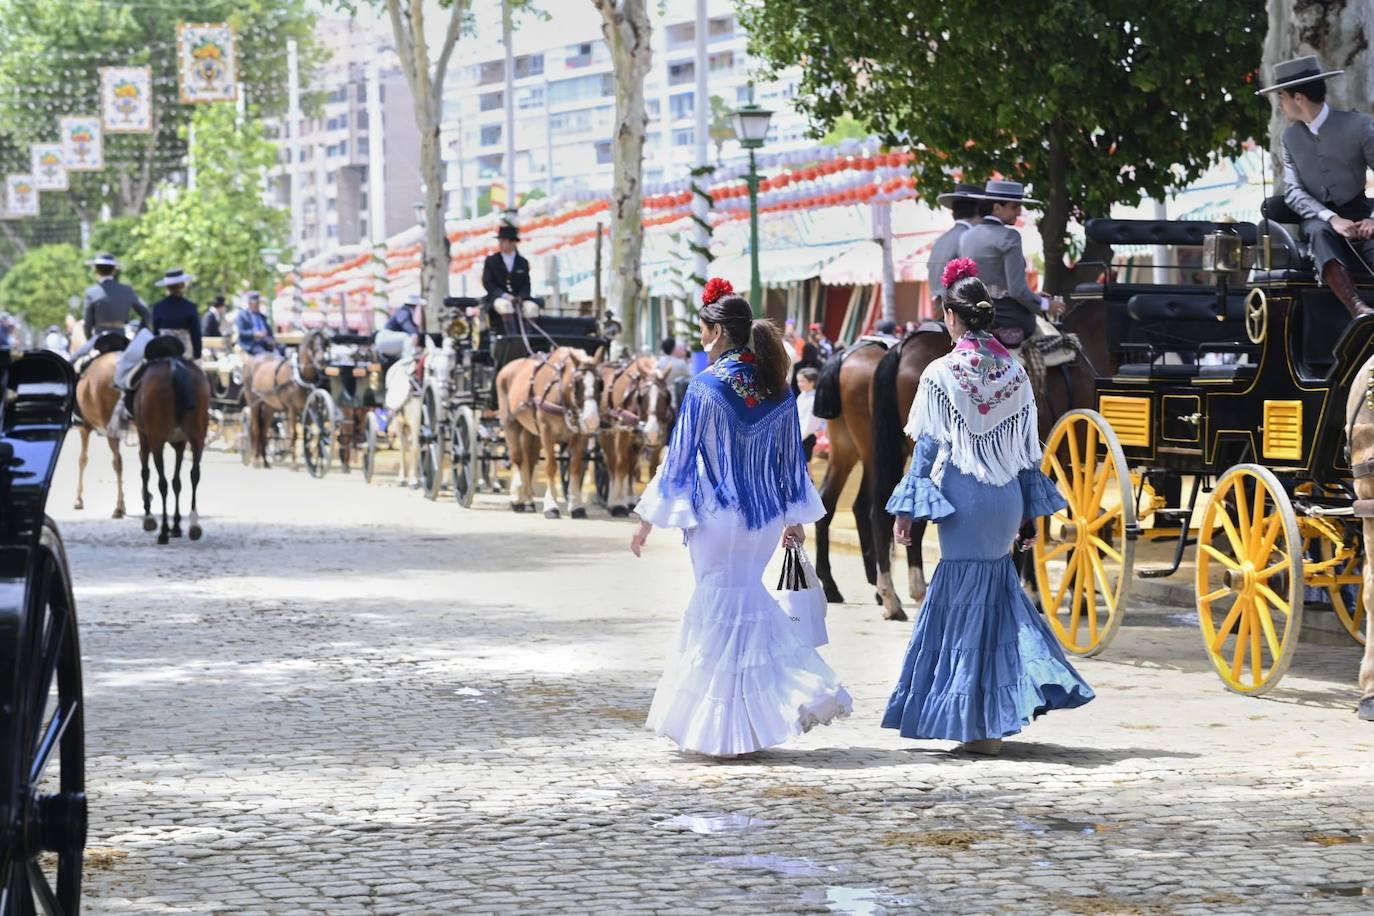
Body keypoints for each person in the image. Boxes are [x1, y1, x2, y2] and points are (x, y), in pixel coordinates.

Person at [630, 277, 851, 758]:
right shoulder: (777, 387)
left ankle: (725, 729)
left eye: (703, 329)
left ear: (716, 332)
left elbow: (681, 461)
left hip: (719, 516)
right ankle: (752, 721)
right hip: (765, 518)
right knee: (744, 607)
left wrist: (648, 516)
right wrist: (793, 518)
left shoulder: (706, 387)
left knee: (718, 612)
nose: (701, 338)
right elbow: (791, 461)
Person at [881, 257, 1093, 756]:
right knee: (995, 601)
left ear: (953, 318)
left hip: (963, 498)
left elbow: (928, 449)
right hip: (1004, 498)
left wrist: (906, 510)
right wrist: (1030, 513)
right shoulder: (1016, 372)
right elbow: (1026, 451)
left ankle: (976, 726)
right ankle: (991, 722)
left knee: (964, 605)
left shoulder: (939, 373)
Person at [1261, 54, 1374, 318]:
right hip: (1318, 218)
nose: (1281, 104)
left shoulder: (1358, 126)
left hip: (1360, 212)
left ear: (1298, 98)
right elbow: (1294, 191)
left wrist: (1372, 218)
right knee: (1319, 233)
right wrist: (1332, 218)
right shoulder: (1289, 138)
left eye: (1282, 97)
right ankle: (1357, 309)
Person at [958, 180, 1063, 345]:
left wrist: (1033, 296)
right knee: (1038, 329)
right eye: (1014, 207)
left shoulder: (966, 236)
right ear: (997, 207)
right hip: (1004, 316)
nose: (1019, 212)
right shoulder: (1009, 236)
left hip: (970, 312)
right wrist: (1045, 304)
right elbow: (1016, 290)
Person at [72, 252, 151, 362]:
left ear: (96, 271)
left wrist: (90, 339)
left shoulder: (91, 292)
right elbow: (146, 313)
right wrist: (139, 333)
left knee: (73, 360)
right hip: (122, 339)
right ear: (114, 271)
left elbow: (88, 323)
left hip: (99, 339)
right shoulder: (127, 290)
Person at [928, 182, 985, 316]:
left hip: (938, 310)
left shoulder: (940, 240)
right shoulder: (970, 239)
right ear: (979, 209)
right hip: (960, 310)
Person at [481, 224, 541, 330]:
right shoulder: (492, 261)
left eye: (506, 241)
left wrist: (520, 297)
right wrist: (505, 295)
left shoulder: (522, 262)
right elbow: (488, 283)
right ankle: (512, 337)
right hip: (499, 298)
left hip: (519, 299)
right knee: (505, 306)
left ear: (513, 242)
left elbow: (526, 285)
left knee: (532, 308)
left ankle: (528, 337)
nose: (503, 244)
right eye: (501, 241)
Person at [149, 267, 202, 359]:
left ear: (167, 287)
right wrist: (197, 354)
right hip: (183, 351)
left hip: (162, 350)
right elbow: (195, 334)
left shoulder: (158, 307)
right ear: (183, 286)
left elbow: (155, 332)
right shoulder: (190, 307)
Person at [376, 293, 423, 363]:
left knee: (407, 342)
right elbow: (405, 322)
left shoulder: (405, 310)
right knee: (408, 338)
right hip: (385, 337)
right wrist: (414, 333)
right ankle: (408, 362)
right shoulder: (404, 311)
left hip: (387, 340)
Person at [795, 366, 823, 463]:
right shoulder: (802, 395)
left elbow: (810, 421)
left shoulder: (814, 399)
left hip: (806, 436)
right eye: (798, 381)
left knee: (805, 465)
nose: (799, 384)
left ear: (812, 382)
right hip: (799, 434)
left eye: (802, 381)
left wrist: (800, 437)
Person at [236, 291, 277, 356]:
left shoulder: (262, 316)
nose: (257, 305)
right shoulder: (242, 315)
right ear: (249, 304)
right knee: (264, 355)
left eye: (258, 303)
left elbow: (269, 331)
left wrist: (271, 339)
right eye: (255, 303)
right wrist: (254, 334)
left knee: (281, 349)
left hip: (265, 342)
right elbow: (241, 332)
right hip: (252, 343)